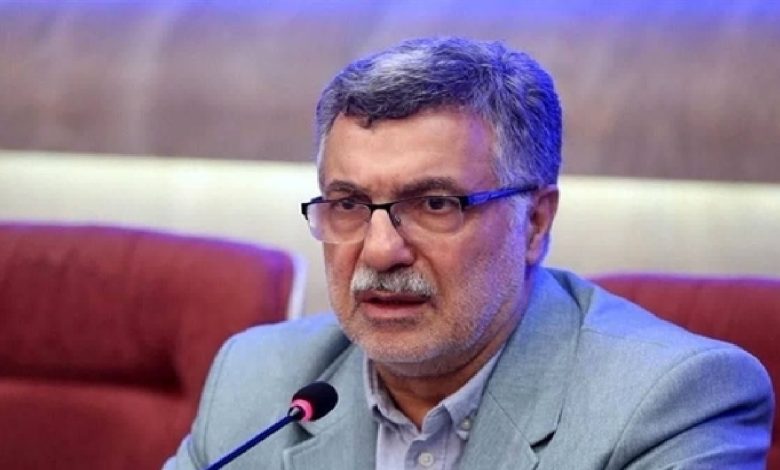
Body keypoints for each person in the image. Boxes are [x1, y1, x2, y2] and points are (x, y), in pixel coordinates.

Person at [164, 37, 773, 469]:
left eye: (435, 204)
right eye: (348, 204)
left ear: (535, 222)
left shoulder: (673, 403)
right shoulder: (258, 379)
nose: (381, 250)